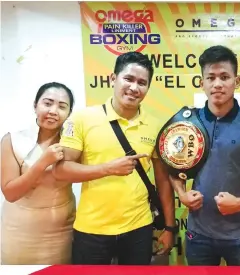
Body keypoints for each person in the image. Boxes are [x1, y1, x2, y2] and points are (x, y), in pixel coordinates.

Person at [53, 52, 176, 265]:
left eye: (142, 83)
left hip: (139, 228)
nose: (134, 87)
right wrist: (108, 168)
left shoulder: (157, 126)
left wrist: (170, 227)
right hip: (91, 229)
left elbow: (163, 181)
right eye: (128, 79)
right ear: (113, 79)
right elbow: (61, 170)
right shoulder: (83, 118)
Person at [169, 45, 240, 266]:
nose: (217, 84)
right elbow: (171, 166)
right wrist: (181, 193)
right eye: (211, 77)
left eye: (224, 77)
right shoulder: (188, 123)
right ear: (202, 83)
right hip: (198, 234)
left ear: (236, 82)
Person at [1, 82, 76, 264]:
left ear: (69, 113)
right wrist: (43, 162)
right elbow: (10, 193)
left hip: (62, 231)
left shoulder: (73, 143)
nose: (53, 111)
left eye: (62, 106)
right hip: (19, 232)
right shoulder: (12, 140)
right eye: (47, 103)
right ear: (35, 105)